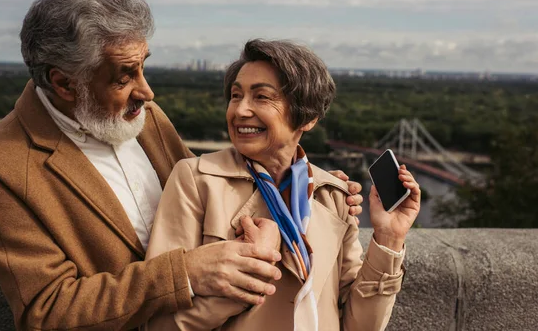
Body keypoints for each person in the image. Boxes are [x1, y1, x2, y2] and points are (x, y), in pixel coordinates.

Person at [0, 0, 364, 330]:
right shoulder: (2, 166)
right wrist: (185, 273)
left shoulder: (144, 116)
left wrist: (308, 186)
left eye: (144, 67)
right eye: (125, 75)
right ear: (64, 83)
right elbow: (46, 312)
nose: (147, 91)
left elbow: (221, 187)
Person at [145, 39, 421, 330]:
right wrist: (253, 274)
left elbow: (360, 325)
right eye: (236, 96)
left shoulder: (333, 195)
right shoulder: (196, 180)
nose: (240, 110)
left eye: (261, 97)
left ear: (309, 116)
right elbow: (161, 322)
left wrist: (388, 239)